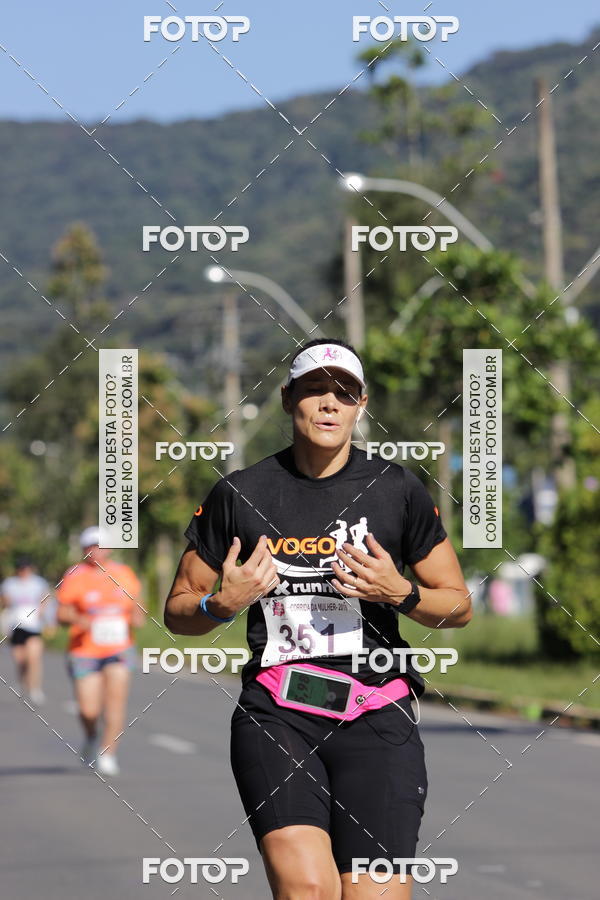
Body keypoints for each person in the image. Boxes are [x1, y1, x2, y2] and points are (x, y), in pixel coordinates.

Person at [165, 338, 472, 899]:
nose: (329, 403)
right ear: (287, 400)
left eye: (344, 393)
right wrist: (220, 606)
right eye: (314, 390)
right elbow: (178, 610)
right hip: (278, 714)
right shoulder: (240, 494)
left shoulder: (397, 489)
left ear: (361, 405)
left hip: (377, 714)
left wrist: (400, 592)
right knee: (306, 887)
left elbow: (457, 604)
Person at [56, 527, 145, 776]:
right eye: (90, 546)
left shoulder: (124, 574)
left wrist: (138, 616)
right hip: (84, 651)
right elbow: (61, 613)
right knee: (89, 710)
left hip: (119, 648)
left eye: (100, 545)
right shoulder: (75, 575)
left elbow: (136, 606)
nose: (96, 550)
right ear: (84, 549)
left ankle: (109, 753)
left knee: (115, 704)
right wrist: (80, 621)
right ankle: (91, 736)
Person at [0, 556, 56, 705]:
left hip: (33, 626)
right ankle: (23, 682)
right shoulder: (10, 583)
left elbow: (46, 599)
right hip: (16, 626)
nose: (23, 571)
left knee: (34, 658)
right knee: (20, 660)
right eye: (21, 568)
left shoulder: (39, 583)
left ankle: (35, 689)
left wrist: (48, 620)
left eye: (26, 568)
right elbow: (4, 601)